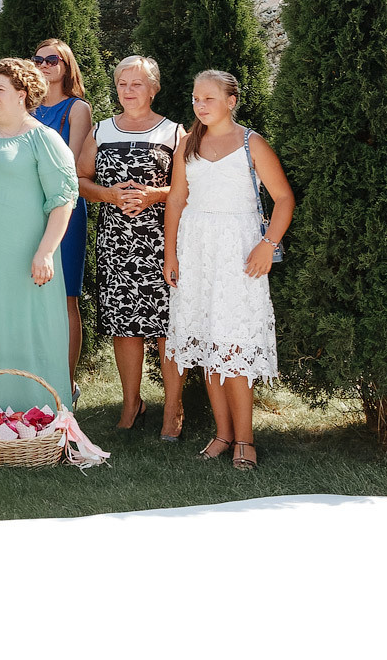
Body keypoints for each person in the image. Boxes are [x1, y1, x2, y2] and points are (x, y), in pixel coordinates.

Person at [164, 69, 294, 471]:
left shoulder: (251, 143)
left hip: (238, 251)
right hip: (197, 248)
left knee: (233, 344)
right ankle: (222, 434)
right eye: (195, 98)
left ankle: (246, 440)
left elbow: (284, 198)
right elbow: (175, 201)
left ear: (231, 101)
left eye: (209, 99)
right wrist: (171, 254)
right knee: (207, 343)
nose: (200, 105)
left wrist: (267, 245)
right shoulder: (187, 144)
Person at [0, 58, 81, 415]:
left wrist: (45, 252)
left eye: (0, 90)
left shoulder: (44, 138)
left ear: (23, 95)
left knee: (27, 332)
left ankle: (36, 418)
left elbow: (63, 200)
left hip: (24, 256)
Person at [78, 57, 184, 435]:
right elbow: (79, 179)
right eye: (122, 83)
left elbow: (189, 186)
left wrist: (156, 195)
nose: (128, 90)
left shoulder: (174, 132)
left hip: (161, 241)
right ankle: (131, 404)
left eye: (137, 83)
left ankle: (173, 407)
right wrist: (107, 194)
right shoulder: (101, 130)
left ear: (154, 89)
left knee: (167, 327)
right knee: (125, 325)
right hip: (116, 241)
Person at [30, 38, 94, 389]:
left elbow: (71, 166)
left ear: (67, 65)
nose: (44, 64)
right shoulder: (26, 107)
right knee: (31, 295)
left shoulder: (76, 109)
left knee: (65, 295)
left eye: (52, 59)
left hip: (63, 209)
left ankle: (66, 384)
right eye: (38, 59)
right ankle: (34, 377)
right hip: (26, 210)